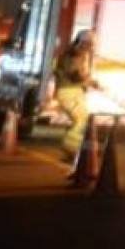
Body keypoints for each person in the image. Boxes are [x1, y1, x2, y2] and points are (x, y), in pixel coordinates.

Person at [53, 30, 97, 160]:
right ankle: (70, 149)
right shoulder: (74, 55)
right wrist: (90, 82)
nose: (90, 48)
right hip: (68, 92)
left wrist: (89, 81)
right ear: (82, 42)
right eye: (88, 44)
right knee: (81, 120)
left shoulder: (77, 54)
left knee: (82, 120)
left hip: (74, 92)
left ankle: (74, 149)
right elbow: (75, 75)